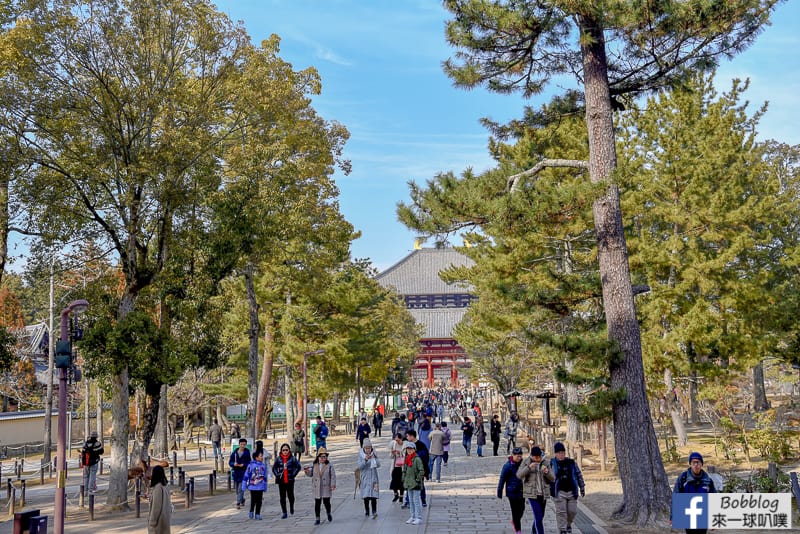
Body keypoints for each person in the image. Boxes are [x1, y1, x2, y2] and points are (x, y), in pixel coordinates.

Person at [672, 452, 717, 534]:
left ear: (701, 464)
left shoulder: (708, 481)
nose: (696, 465)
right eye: (693, 462)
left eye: (698, 462)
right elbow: (676, 496)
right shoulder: (683, 478)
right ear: (690, 464)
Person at [550, 442, 585, 534]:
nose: (561, 455)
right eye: (559, 453)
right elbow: (547, 478)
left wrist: (582, 487)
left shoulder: (571, 462)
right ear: (555, 454)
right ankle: (562, 529)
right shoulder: (552, 464)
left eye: (562, 452)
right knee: (561, 512)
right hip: (559, 492)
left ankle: (568, 524)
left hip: (572, 491)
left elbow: (578, 474)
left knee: (572, 511)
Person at [517, 446, 554, 534]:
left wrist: (547, 472)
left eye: (539, 457)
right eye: (535, 457)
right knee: (538, 517)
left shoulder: (546, 462)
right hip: (532, 494)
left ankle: (534, 532)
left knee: (541, 516)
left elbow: (553, 478)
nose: (537, 459)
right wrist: (529, 468)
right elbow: (519, 475)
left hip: (543, 494)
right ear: (532, 456)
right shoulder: (526, 462)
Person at [498, 447, 525, 534]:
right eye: (517, 456)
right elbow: (502, 479)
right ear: (513, 455)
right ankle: (518, 530)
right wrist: (499, 491)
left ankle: (515, 521)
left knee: (522, 509)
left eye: (520, 456)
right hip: (512, 492)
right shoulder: (508, 466)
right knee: (515, 511)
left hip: (522, 491)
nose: (519, 458)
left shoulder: (523, 464)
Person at [306, 446, 336, 524]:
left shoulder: (329, 465)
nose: (323, 458)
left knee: (326, 502)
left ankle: (328, 513)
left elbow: (333, 475)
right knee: (317, 503)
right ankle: (317, 518)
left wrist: (333, 484)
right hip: (317, 486)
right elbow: (310, 474)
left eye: (324, 457)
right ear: (318, 457)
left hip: (326, 486)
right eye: (321, 457)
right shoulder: (314, 465)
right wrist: (307, 471)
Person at [272, 442, 301, 519]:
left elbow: (298, 467)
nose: (285, 451)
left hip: (290, 479)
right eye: (283, 450)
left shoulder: (292, 458)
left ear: (289, 450)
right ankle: (284, 512)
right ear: (281, 451)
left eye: (286, 450)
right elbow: (274, 468)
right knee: (282, 497)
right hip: (281, 480)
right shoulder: (278, 459)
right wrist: (277, 475)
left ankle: (291, 506)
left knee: (291, 496)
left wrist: (293, 474)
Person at [401, 441, 425, 526]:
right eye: (408, 449)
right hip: (408, 483)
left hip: (416, 484)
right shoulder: (407, 459)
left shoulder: (417, 459)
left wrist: (418, 479)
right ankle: (412, 516)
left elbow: (421, 471)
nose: (409, 450)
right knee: (410, 501)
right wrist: (404, 478)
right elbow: (404, 470)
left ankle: (418, 517)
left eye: (411, 449)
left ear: (414, 449)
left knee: (416, 500)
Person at [357, 438, 381, 519]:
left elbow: (378, 465)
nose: (368, 450)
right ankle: (367, 511)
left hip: (374, 478)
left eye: (369, 448)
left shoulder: (374, 454)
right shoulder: (361, 456)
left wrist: (374, 458)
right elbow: (360, 467)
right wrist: (365, 460)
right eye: (366, 448)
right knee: (366, 496)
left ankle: (374, 511)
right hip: (365, 478)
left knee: (374, 496)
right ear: (364, 448)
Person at [242, 449, 267, 520]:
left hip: (261, 486)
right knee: (253, 500)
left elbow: (264, 476)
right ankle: (251, 510)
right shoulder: (251, 465)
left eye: (262, 456)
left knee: (259, 500)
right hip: (253, 487)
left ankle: (258, 513)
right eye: (260, 456)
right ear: (256, 457)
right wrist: (244, 484)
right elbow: (246, 475)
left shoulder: (263, 466)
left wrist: (265, 485)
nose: (262, 457)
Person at [229, 438, 252, 509]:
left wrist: (244, 465)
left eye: (244, 445)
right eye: (241, 444)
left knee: (241, 488)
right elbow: (230, 462)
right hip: (236, 473)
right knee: (237, 490)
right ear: (239, 444)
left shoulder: (247, 452)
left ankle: (238, 503)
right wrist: (234, 464)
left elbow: (249, 462)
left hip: (244, 473)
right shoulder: (234, 453)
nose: (242, 446)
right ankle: (242, 499)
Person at [147, 465, 171, 534]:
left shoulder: (158, 488)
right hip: (165, 519)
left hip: (158, 522)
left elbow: (156, 506)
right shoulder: (165, 486)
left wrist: (152, 521)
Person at [389, 433, 406, 502]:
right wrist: (393, 453)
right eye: (396, 440)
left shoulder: (405, 445)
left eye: (398, 440)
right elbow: (390, 457)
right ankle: (396, 494)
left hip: (402, 467)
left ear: (401, 439)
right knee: (394, 481)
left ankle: (401, 496)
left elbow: (406, 455)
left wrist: (400, 453)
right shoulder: (394, 445)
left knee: (401, 482)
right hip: (395, 466)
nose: (397, 441)